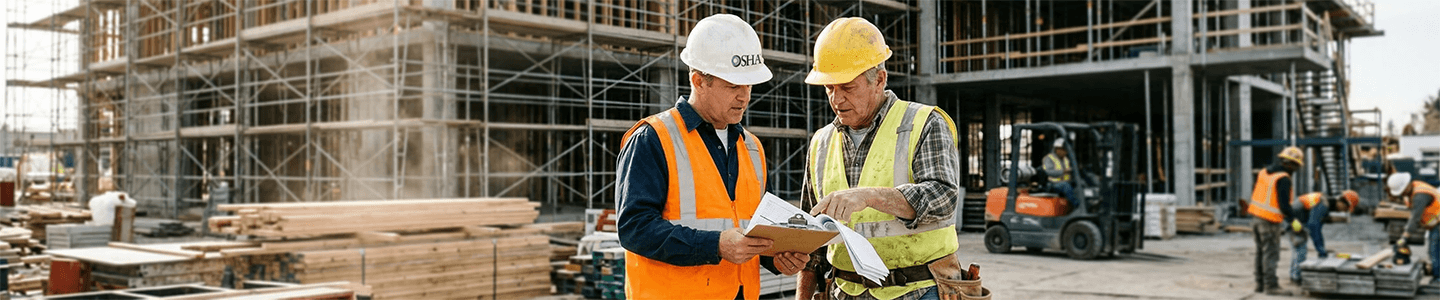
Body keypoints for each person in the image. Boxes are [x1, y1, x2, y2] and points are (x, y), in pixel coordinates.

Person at [615, 14, 808, 300]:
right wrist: (714, 245)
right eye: (733, 86)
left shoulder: (751, 146)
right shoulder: (653, 139)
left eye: (749, 85)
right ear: (699, 81)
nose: (744, 97)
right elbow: (634, 228)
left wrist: (776, 258)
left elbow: (753, 227)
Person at [795, 17, 966, 300]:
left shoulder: (923, 123)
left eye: (847, 87)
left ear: (879, 80)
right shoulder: (821, 143)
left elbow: (943, 198)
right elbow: (812, 240)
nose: (836, 99)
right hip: (845, 291)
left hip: (918, 290)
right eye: (829, 88)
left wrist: (870, 196)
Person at [1249, 146, 1303, 296]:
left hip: (1256, 218)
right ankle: (1271, 286)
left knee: (1260, 252)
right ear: (1292, 164)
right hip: (1269, 222)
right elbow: (1284, 205)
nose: (1297, 170)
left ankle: (1260, 284)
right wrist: (1293, 220)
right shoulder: (1283, 179)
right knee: (1271, 254)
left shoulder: (1264, 172)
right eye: (1297, 166)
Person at [1288, 189, 1359, 283]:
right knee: (1301, 249)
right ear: (1342, 201)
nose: (1343, 211)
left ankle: (1294, 275)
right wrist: (1320, 249)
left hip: (1295, 218)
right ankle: (1297, 277)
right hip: (1294, 219)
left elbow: (1318, 225)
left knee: (1298, 249)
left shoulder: (1325, 202)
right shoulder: (1323, 204)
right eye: (1345, 208)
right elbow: (1314, 226)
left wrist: (1321, 247)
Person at [1391, 172, 1440, 279]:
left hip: (1438, 222)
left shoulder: (1420, 195)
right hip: (1435, 222)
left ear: (1406, 186)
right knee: (1433, 250)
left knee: (1435, 251)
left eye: (1401, 191)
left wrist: (1403, 238)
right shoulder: (1412, 189)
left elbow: (1415, 218)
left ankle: (1438, 278)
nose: (1401, 194)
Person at [1043, 138, 1077, 207]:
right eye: (1064, 150)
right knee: (1065, 186)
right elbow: (1049, 172)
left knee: (1080, 184)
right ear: (1057, 149)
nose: (1066, 152)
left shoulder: (1065, 159)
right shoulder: (1049, 158)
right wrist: (1063, 171)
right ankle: (1077, 205)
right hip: (1053, 184)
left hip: (1066, 182)